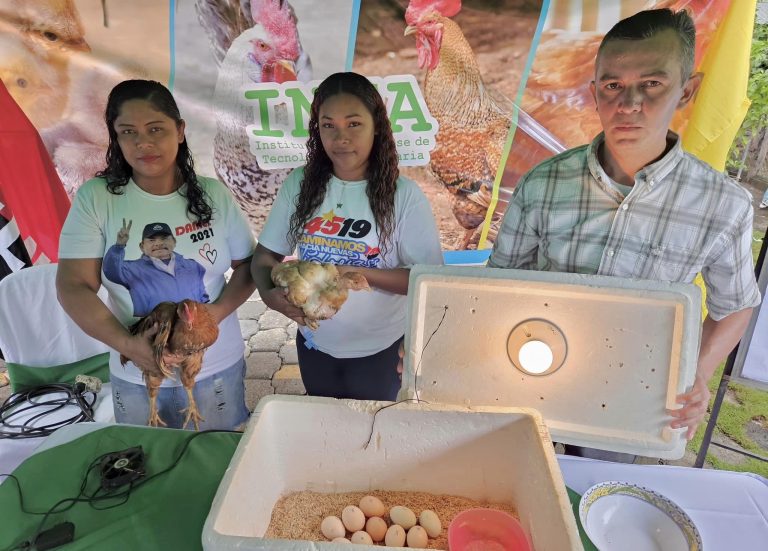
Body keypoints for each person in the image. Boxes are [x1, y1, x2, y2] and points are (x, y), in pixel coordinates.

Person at [488, 9, 760, 460]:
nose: (629, 103)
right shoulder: (544, 183)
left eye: (652, 84)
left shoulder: (721, 204)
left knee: (602, 514)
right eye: (613, 86)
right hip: (532, 391)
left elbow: (737, 306)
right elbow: (497, 286)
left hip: (636, 408)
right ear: (595, 93)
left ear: (687, 90)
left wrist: (698, 373)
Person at [57, 79, 256, 430]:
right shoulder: (98, 198)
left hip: (214, 366)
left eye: (155, 129)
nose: (143, 142)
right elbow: (73, 286)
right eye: (128, 131)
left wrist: (214, 315)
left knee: (220, 465)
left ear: (180, 131)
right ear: (115, 138)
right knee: (144, 470)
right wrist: (131, 347)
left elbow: (248, 267)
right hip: (136, 373)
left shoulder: (212, 196)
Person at [251, 71, 443, 401]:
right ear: (317, 130)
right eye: (329, 125)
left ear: (377, 126)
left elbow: (428, 281)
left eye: (354, 124)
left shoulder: (403, 195)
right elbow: (264, 258)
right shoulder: (300, 184)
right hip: (315, 346)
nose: (341, 137)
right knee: (326, 435)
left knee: (373, 441)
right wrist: (270, 296)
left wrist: (348, 275)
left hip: (380, 352)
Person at [103, 220, 209, 317]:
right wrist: (118, 246)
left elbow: (204, 299)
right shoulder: (132, 269)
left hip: (190, 331)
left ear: (174, 241)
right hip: (153, 333)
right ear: (142, 246)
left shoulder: (192, 266)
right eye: (152, 240)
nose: (158, 243)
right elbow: (111, 271)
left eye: (164, 238)